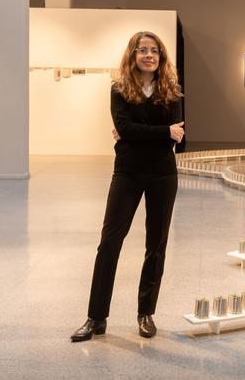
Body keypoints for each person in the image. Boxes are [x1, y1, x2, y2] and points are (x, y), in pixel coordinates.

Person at [71, 31, 184, 341]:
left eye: (154, 51)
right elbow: (127, 127)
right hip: (128, 172)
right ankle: (96, 318)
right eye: (142, 50)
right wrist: (162, 132)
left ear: (161, 58)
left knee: (155, 246)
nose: (149, 55)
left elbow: (178, 135)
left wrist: (139, 133)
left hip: (163, 174)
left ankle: (146, 313)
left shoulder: (172, 91)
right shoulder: (119, 89)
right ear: (132, 56)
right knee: (109, 243)